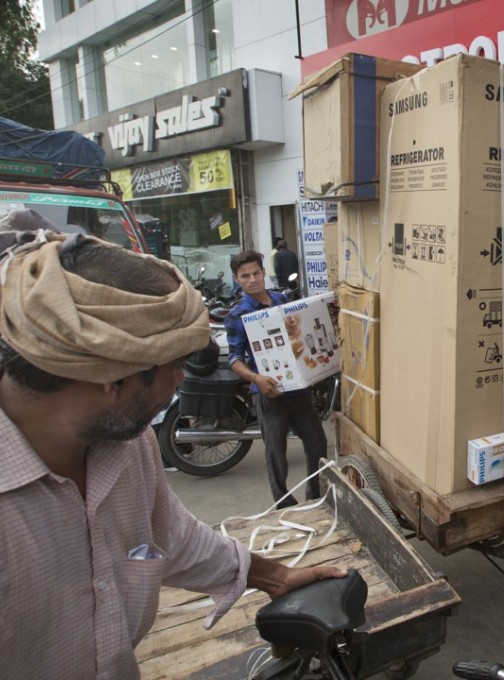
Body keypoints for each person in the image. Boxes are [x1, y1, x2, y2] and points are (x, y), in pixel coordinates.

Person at [0, 229, 346, 679]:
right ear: (115, 375)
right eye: (173, 366)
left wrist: (275, 578)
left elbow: (171, 537)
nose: (180, 381)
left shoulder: (128, 447)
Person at [226, 250, 328, 508]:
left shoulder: (282, 299)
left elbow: (298, 336)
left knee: (317, 442)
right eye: (245, 276)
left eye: (256, 273)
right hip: (269, 393)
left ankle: (316, 496)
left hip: (298, 389)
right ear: (237, 279)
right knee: (275, 453)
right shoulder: (238, 315)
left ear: (263, 272)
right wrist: (256, 378)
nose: (252, 280)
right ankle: (284, 507)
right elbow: (234, 359)